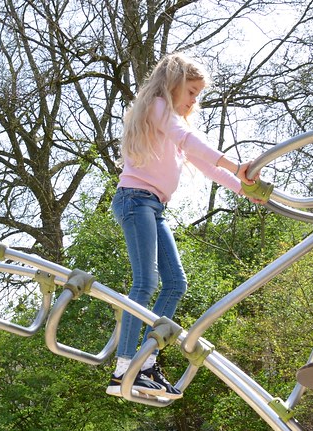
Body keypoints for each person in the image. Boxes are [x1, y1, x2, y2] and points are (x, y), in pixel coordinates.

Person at [108, 53, 266, 400]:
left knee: (176, 283)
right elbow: (190, 141)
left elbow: (205, 166)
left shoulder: (173, 122)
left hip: (153, 206)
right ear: (174, 84)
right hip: (135, 199)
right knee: (146, 281)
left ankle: (145, 362)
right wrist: (236, 164)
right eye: (191, 91)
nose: (194, 100)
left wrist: (244, 189)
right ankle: (123, 369)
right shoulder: (158, 108)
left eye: (198, 94)